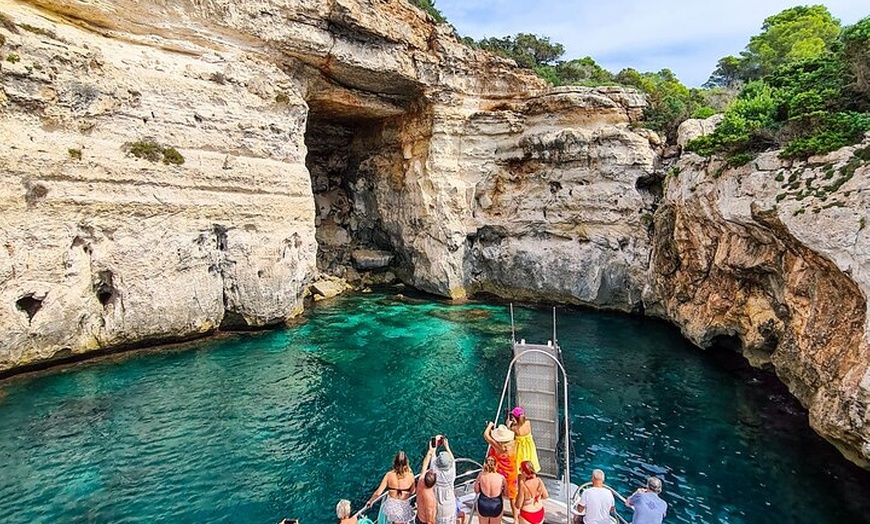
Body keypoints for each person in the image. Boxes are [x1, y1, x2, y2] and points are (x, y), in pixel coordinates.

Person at [367, 451, 416, 524]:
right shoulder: (410, 476)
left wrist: (370, 501)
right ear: (406, 463)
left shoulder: (389, 475)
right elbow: (413, 492)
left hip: (391, 508)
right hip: (403, 508)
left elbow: (378, 493)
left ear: (394, 463)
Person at [483, 421, 518, 519]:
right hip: (511, 474)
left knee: (499, 497)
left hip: (500, 474)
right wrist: (508, 426)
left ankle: (499, 516)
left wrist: (490, 425)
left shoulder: (497, 446)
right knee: (512, 497)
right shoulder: (513, 444)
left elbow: (486, 435)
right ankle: (516, 519)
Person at [429, 436, 457, 524]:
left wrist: (434, 445)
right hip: (450, 506)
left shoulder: (435, 471)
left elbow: (432, 455)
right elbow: (453, 460)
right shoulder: (451, 472)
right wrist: (447, 447)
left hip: (438, 508)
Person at [508, 407, 540, 474]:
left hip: (520, 448)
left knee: (519, 461)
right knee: (530, 458)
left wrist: (509, 425)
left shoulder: (515, 428)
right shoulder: (528, 423)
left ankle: (521, 473)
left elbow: (511, 436)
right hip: (529, 446)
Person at [474, 456, 505, 524]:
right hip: (496, 503)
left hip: (483, 504)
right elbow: (507, 494)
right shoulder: (501, 478)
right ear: (496, 464)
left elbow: (476, 490)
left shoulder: (481, 475)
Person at [416, 440, 438, 524]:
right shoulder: (430, 499)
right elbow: (430, 521)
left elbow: (424, 466)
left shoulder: (420, 483)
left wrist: (431, 451)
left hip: (418, 517)